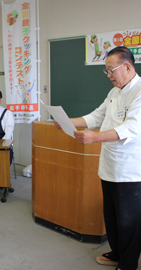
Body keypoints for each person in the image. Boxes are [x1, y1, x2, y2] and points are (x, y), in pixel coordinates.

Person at [54, 46, 141, 270]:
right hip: (110, 166)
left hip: (130, 170)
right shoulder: (114, 92)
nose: (109, 75)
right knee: (111, 216)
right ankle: (117, 252)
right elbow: (97, 115)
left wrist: (95, 137)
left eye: (111, 70)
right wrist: (69, 121)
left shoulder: (139, 91)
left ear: (128, 66)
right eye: (107, 71)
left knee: (129, 220)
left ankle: (128, 262)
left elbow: (132, 128)